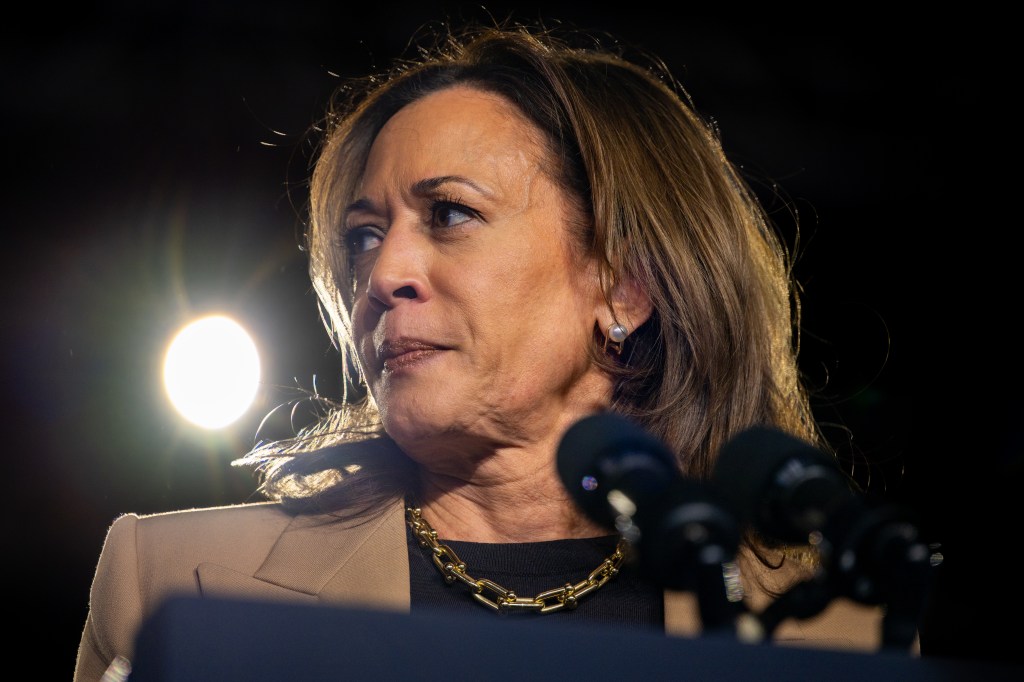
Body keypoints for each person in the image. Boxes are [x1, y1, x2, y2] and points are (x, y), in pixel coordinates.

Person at [73, 19, 898, 681]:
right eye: (364, 236)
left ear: (624, 287)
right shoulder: (171, 579)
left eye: (451, 214)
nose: (384, 272)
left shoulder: (832, 627)